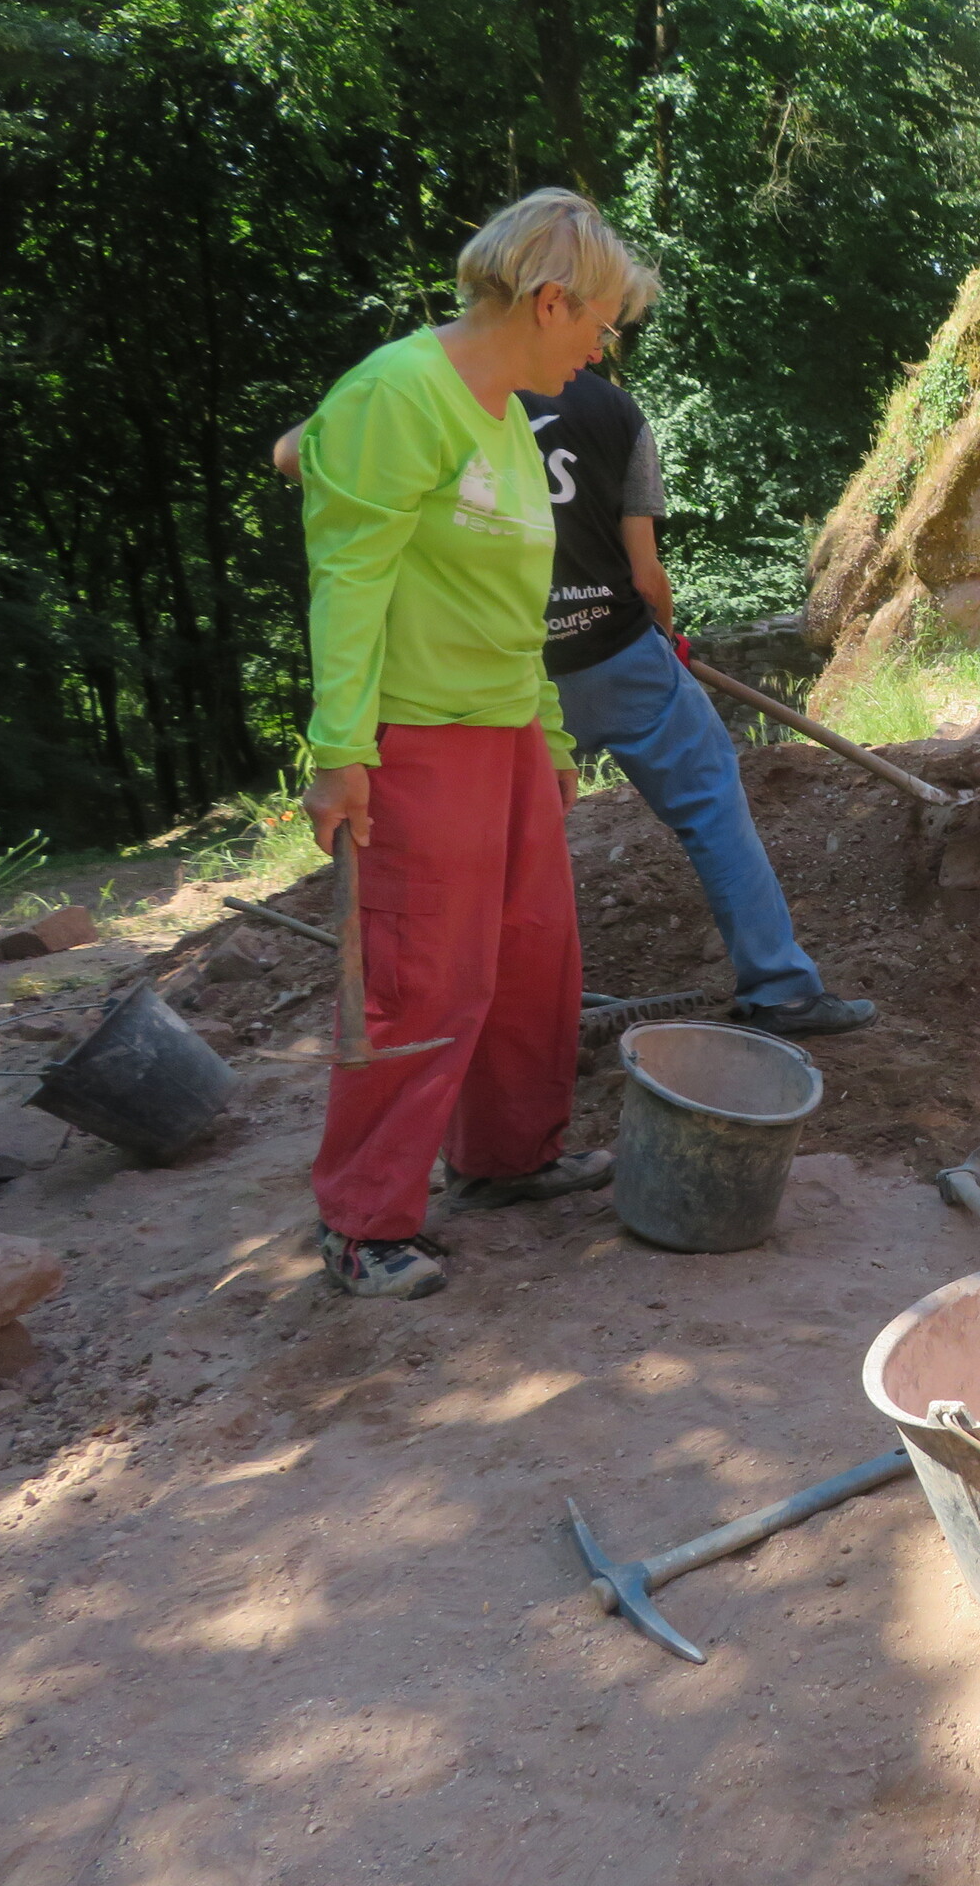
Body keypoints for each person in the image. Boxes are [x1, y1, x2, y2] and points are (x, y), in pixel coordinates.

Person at [291, 188, 643, 1300]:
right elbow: (349, 582)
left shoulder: (507, 417)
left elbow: (515, 600)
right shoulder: (397, 396)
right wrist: (339, 751)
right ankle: (363, 1222)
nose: (603, 350)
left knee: (536, 961)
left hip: (505, 734)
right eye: (603, 324)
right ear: (550, 302)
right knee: (420, 980)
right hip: (414, 738)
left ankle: (506, 1157)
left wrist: (550, 733)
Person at [519, 370, 873, 1037]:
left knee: (516, 846)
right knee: (713, 811)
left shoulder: (462, 394)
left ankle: (519, 1016)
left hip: (513, 674)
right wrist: (664, 639)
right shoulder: (613, 409)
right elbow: (645, 572)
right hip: (623, 657)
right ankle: (782, 991)